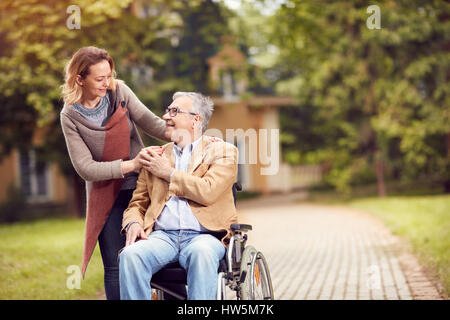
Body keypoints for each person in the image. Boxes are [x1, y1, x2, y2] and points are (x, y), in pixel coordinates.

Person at [60, 46, 177, 299]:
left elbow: (151, 123)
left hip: (143, 188)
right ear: (80, 79)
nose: (107, 83)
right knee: (115, 265)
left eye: (109, 76)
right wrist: (131, 164)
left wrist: (187, 134)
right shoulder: (70, 116)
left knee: (160, 254)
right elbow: (86, 168)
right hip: (106, 195)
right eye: (99, 79)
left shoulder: (119, 92)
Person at [119, 92, 238, 300]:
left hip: (205, 236)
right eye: (167, 111)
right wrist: (133, 223)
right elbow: (137, 204)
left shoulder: (223, 151)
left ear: (196, 119)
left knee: (202, 254)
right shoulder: (155, 155)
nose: (166, 116)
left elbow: (208, 191)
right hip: (162, 237)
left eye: (174, 111)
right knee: (130, 255)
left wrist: (168, 173)